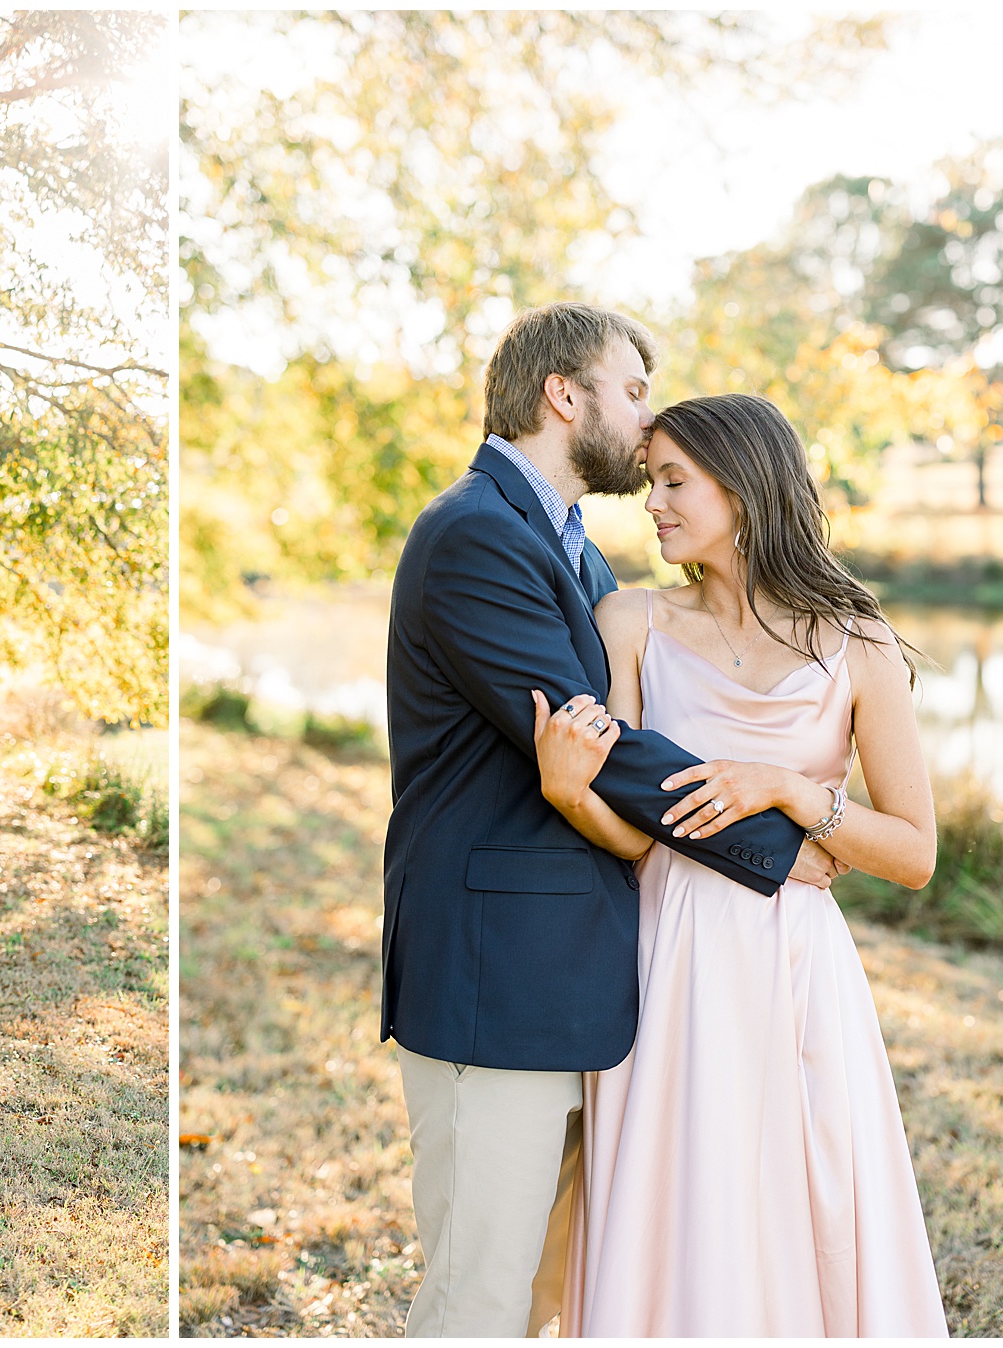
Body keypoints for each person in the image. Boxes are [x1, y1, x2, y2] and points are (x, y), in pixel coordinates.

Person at [381, 302, 847, 1337]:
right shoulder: (475, 535)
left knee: (556, 1291)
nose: (646, 423)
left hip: (583, 976)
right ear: (564, 394)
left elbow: (605, 752)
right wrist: (773, 833)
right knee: (478, 1293)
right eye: (632, 389)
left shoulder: (571, 548)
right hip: (492, 976)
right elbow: (600, 738)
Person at [532, 393, 947, 1335]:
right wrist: (569, 791)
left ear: (745, 485)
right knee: (676, 1192)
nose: (655, 504)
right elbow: (639, 832)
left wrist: (798, 795)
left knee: (804, 1187)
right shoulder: (630, 619)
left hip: (795, 962)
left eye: (675, 481)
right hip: (665, 952)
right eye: (651, 482)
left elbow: (916, 853)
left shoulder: (858, 641)